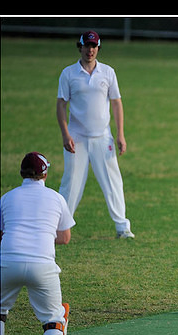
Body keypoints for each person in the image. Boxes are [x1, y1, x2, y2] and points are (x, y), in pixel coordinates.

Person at [0, 152, 76, 335]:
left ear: (22, 173)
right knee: (54, 317)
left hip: (7, 261)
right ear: (45, 173)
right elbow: (64, 238)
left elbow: (1, 233)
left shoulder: (7, 197)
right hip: (42, 265)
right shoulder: (55, 198)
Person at [56, 30, 134, 238]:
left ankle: (122, 227)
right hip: (76, 138)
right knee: (71, 183)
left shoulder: (108, 72)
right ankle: (60, 228)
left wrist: (120, 135)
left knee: (112, 181)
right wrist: (65, 135)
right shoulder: (69, 73)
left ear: (98, 48)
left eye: (94, 46)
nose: (90, 50)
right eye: (87, 46)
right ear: (80, 47)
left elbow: (116, 103)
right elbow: (61, 105)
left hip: (103, 137)